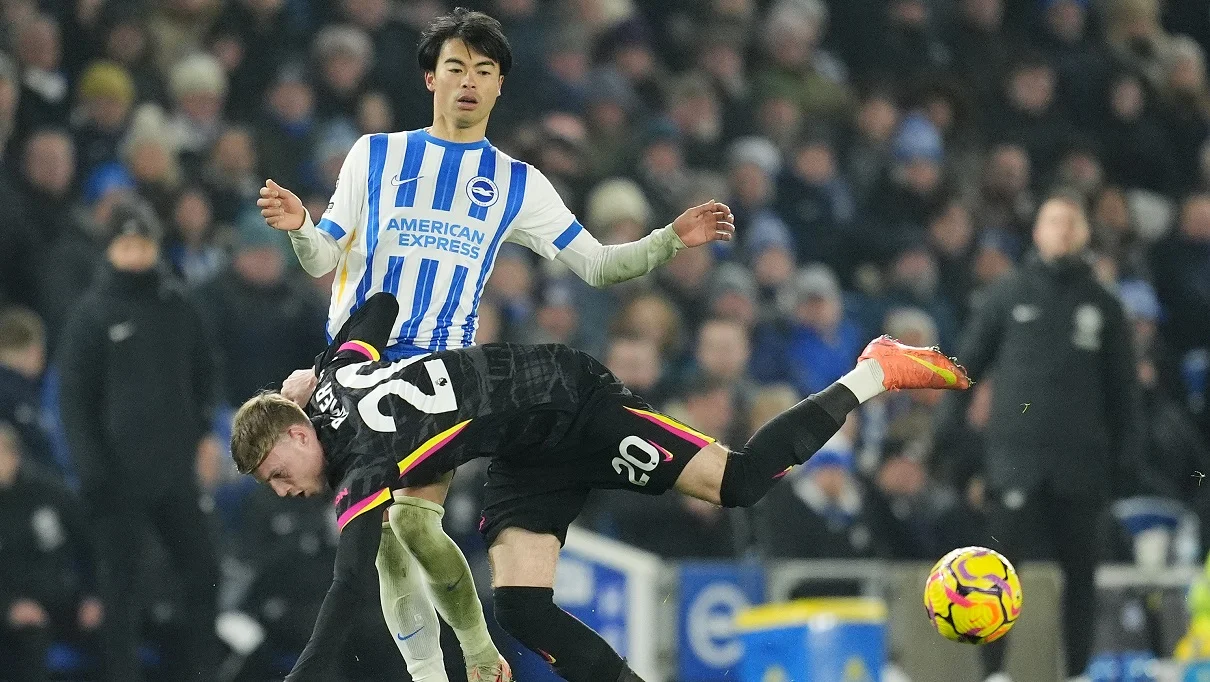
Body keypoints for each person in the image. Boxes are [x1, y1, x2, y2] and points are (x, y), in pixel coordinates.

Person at [260, 8, 733, 680]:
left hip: (439, 378)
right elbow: (321, 257)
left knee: (412, 528)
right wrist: (301, 227)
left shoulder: (517, 183)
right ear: (430, 77)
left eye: (484, 71)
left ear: (500, 85)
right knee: (387, 545)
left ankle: (478, 656)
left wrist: (668, 240)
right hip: (357, 365)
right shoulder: (376, 154)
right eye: (455, 67)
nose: (469, 82)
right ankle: (438, 673)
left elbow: (598, 265)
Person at [230, 291, 971, 682]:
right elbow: (382, 307)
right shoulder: (338, 376)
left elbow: (349, 582)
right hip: (525, 452)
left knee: (739, 482)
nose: (285, 491)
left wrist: (307, 675)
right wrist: (319, 366)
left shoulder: (362, 465)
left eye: (278, 476)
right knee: (520, 606)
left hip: (572, 402)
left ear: (296, 434)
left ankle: (874, 369)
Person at [947, 194, 1139, 682]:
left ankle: (1078, 672)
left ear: (1085, 233)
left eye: (1072, 222)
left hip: (1081, 464)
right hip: (1015, 459)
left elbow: (1124, 392)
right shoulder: (1007, 293)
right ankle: (994, 673)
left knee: (1082, 576)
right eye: (1054, 221)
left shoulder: (1104, 304)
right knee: (994, 573)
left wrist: (1124, 461)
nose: (1063, 231)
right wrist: (952, 446)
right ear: (1037, 231)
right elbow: (965, 366)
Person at [57, 196, 222, 682]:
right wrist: (93, 472)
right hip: (117, 478)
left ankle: (198, 672)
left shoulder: (179, 305)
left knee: (203, 571)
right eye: (126, 244)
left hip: (176, 473)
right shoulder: (91, 315)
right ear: (109, 249)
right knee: (121, 591)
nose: (135, 253)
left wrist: (205, 436)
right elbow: (74, 402)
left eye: (143, 243)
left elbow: (205, 374)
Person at [0, 422, 103, 682]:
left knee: (113, 628)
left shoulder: (49, 492)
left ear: (15, 455)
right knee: (28, 644)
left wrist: (94, 595)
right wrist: (8, 607)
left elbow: (91, 546)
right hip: (15, 608)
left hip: (65, 599)